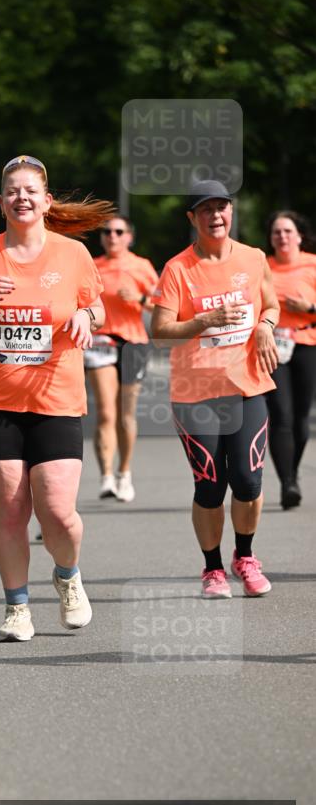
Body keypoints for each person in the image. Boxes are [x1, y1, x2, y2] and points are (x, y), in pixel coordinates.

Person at [0, 155, 112, 641]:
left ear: (46, 200)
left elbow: (95, 303)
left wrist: (88, 317)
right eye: (12, 191)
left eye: (30, 191)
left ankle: (68, 576)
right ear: (1, 203)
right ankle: (17, 609)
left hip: (57, 398)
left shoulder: (72, 254)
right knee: (12, 510)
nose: (22, 197)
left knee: (58, 512)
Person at [151, 180, 279, 599]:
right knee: (210, 485)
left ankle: (245, 556)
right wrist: (204, 321)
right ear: (193, 218)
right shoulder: (178, 269)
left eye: (221, 207)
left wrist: (265, 326)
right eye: (205, 209)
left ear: (231, 211)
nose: (216, 215)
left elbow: (272, 305)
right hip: (195, 393)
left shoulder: (254, 257)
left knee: (248, 480)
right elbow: (161, 334)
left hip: (248, 385)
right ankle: (213, 569)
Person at [87, 217, 158, 502]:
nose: (112, 236)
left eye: (118, 232)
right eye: (107, 232)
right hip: (101, 341)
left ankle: (124, 473)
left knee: (125, 413)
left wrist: (140, 299)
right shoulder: (92, 266)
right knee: (105, 411)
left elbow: (165, 305)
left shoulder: (141, 266)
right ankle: (106, 476)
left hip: (134, 343)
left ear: (129, 236)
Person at [265, 211, 316, 509]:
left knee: (299, 417)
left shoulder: (312, 264)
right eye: (276, 232)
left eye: (287, 231)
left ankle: (293, 472)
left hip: (307, 342)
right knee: (281, 415)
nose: (282, 237)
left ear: (299, 236)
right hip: (274, 346)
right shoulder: (263, 266)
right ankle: (287, 483)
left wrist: (308, 306)